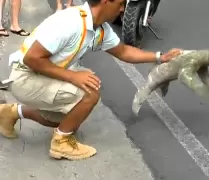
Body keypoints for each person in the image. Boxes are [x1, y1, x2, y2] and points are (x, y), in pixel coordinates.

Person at [0, 0, 182, 160]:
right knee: (89, 93)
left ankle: (10, 113)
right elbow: (31, 59)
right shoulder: (70, 22)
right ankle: (61, 143)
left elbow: (124, 52)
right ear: (105, 2)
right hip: (25, 76)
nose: (122, 10)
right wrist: (73, 76)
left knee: (66, 118)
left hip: (41, 75)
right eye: (120, 4)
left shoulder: (99, 28)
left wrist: (161, 57)